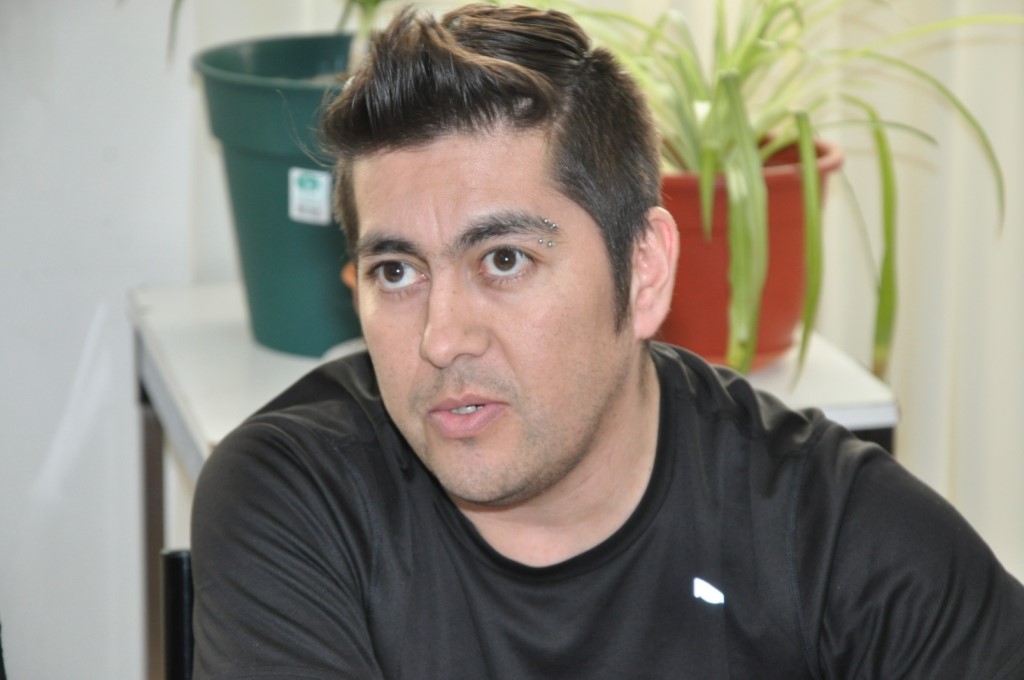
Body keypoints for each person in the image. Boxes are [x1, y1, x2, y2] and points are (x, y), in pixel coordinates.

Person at [190, 4, 1024, 678]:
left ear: (645, 270)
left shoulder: (832, 532)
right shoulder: (298, 498)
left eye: (504, 259)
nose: (441, 340)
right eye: (398, 271)